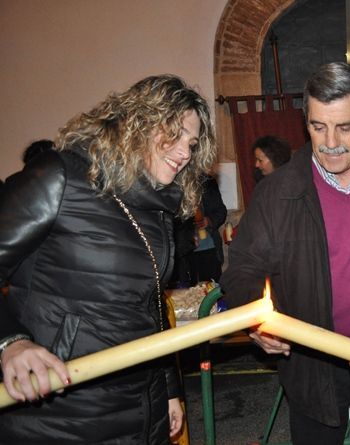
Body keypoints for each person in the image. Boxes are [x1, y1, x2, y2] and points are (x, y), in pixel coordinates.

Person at [0, 74, 217, 444]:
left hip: (140, 408)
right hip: (63, 409)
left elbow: (150, 307)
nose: (184, 152)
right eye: (174, 134)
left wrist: (168, 389)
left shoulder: (156, 208)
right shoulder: (61, 176)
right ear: (137, 123)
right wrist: (11, 342)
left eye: (192, 143)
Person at [221, 62, 350, 445]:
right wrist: (256, 321)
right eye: (318, 126)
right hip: (310, 364)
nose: (330, 141)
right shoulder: (275, 192)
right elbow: (243, 268)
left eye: (344, 127)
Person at [172, 174, 227, 286]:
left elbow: (221, 211)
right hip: (184, 252)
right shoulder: (172, 182)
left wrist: (209, 220)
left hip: (209, 248)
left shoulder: (207, 181)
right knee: (189, 292)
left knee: (213, 290)